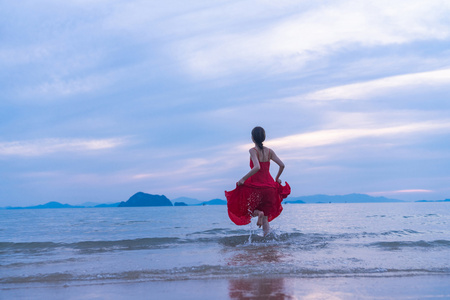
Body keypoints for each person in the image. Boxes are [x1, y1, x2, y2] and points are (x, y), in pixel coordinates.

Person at [225, 126, 290, 236]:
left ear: (252, 138)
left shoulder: (252, 150)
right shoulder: (270, 151)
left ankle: (258, 213)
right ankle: (266, 242)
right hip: (270, 187)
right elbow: (282, 165)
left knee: (248, 209)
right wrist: (276, 178)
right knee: (266, 218)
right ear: (264, 137)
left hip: (255, 186)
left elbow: (257, 167)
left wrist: (243, 179)